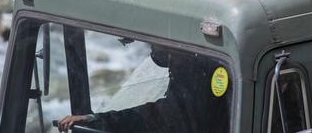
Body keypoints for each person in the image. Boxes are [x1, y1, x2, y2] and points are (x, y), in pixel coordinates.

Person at [57, 45, 229, 133]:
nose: (170, 67)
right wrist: (93, 119)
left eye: (170, 56)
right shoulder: (191, 87)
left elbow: (152, 117)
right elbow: (150, 116)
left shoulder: (202, 94)